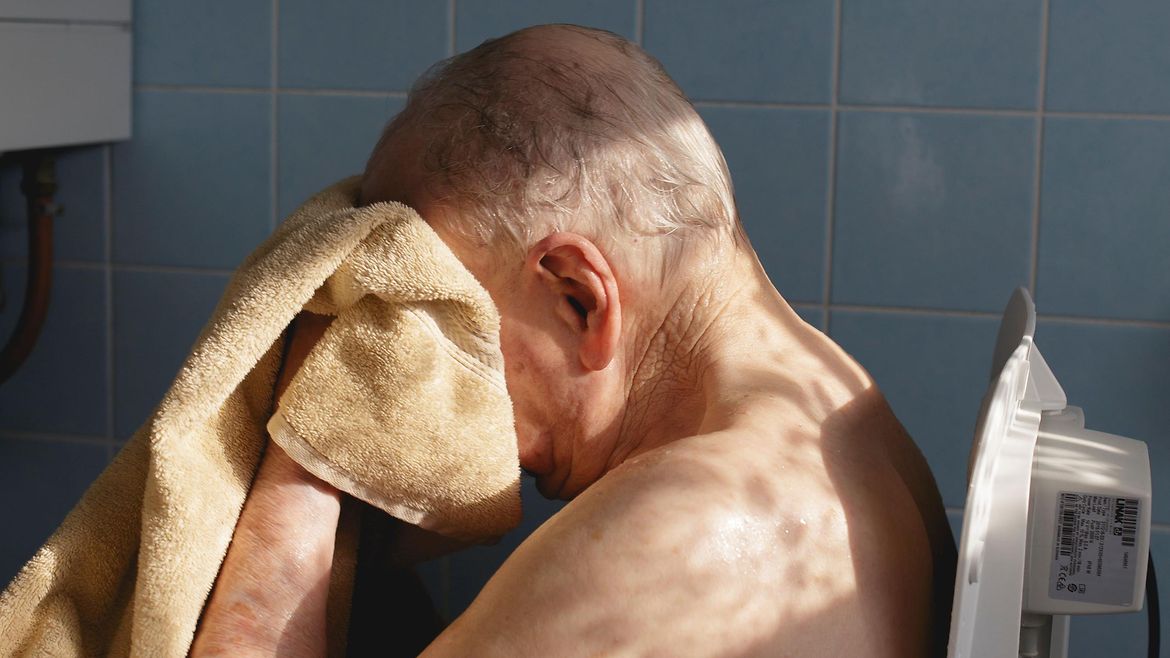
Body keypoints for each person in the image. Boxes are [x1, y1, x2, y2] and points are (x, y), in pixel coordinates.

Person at [191, 24, 956, 657]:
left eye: (432, 327)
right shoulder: (845, 410)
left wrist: (314, 441)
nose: (419, 382)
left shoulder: (678, 537)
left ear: (579, 297)